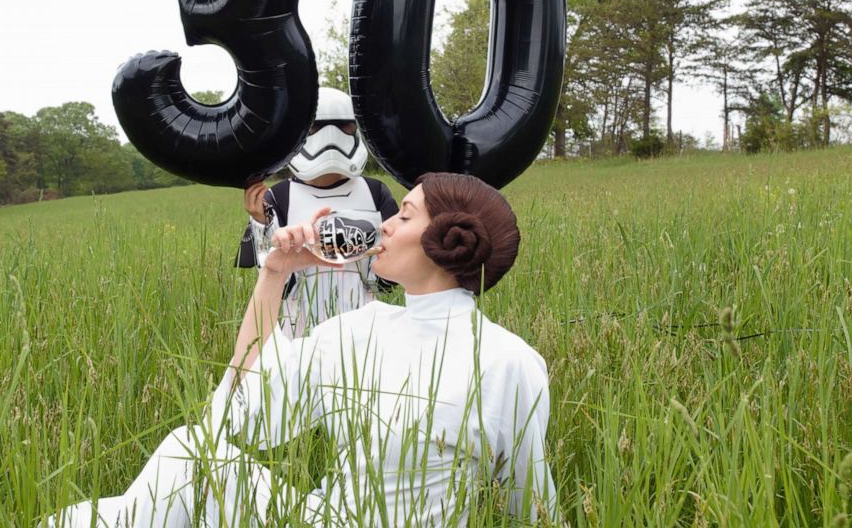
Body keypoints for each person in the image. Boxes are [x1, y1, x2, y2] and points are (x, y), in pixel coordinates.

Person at [46, 173, 556, 527]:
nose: (384, 225)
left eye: (404, 215)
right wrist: (275, 273)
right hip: (319, 518)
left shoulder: (506, 362)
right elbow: (238, 416)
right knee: (188, 451)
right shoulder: (363, 328)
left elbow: (530, 502)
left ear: (445, 238)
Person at [235, 87, 398, 339]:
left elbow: (388, 281)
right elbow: (276, 283)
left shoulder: (375, 192)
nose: (330, 137)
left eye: (343, 126)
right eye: (315, 127)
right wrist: (261, 222)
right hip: (300, 329)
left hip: (365, 328)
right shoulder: (279, 197)